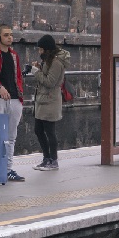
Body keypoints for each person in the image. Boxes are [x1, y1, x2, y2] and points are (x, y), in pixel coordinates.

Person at [0, 23, 27, 182]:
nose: (10, 38)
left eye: (11, 35)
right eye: (6, 35)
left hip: (15, 99)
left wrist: (20, 93)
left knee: (11, 136)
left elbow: (18, 76)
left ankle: (7, 170)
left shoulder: (14, 55)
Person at [30, 34, 70, 170]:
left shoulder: (57, 62)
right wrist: (39, 69)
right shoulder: (48, 60)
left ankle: (53, 160)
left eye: (41, 49)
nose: (39, 52)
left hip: (50, 101)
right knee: (38, 130)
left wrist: (35, 72)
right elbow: (46, 76)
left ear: (47, 49)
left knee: (49, 131)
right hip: (42, 100)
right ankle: (46, 158)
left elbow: (50, 82)